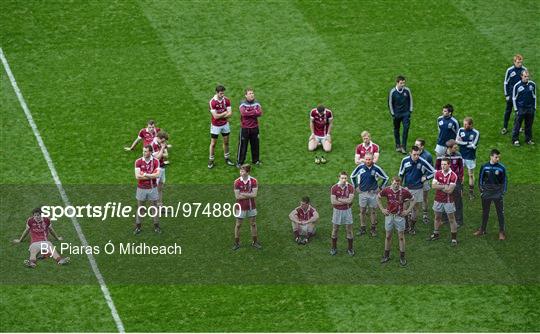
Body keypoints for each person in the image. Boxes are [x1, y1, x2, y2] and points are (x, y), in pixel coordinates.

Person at [377, 176, 414, 266]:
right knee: (388, 236)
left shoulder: (404, 192)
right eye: (394, 183)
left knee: (401, 237)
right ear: (391, 183)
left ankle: (402, 257)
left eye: (398, 184)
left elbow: (413, 199)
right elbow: (378, 197)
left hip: (399, 217)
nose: (396, 185)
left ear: (400, 184)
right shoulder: (387, 190)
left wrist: (408, 211)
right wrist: (382, 209)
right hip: (389, 216)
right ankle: (386, 256)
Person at [398, 146, 435, 234]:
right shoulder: (405, 160)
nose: (416, 156)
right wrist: (400, 187)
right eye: (414, 154)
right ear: (410, 153)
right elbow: (401, 173)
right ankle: (406, 226)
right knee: (405, 207)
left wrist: (426, 177)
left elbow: (434, 172)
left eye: (418, 155)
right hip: (406, 188)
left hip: (418, 188)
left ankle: (412, 227)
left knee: (415, 208)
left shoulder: (423, 162)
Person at [351, 153, 389, 237]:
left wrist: (380, 187)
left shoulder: (376, 168)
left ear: (372, 159)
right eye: (366, 159)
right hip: (362, 193)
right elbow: (352, 176)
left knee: (373, 211)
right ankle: (362, 227)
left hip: (373, 193)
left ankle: (373, 228)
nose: (368, 161)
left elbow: (386, 178)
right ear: (364, 159)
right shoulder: (360, 167)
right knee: (362, 211)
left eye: (369, 159)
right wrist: (356, 187)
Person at [474, 149, 508, 240]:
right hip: (486, 193)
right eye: (496, 157)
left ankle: (501, 232)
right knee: (485, 212)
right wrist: (481, 191)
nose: (498, 159)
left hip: (497, 193)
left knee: (500, 213)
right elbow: (480, 179)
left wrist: (502, 192)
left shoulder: (501, 168)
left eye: (499, 157)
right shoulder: (484, 166)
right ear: (491, 156)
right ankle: (483, 229)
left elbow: (505, 181)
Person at [428, 158, 459, 246]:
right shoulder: (437, 173)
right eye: (442, 164)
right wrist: (444, 186)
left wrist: (439, 186)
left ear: (449, 165)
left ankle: (454, 239)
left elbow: (450, 191)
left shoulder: (453, 176)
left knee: (451, 219)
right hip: (438, 199)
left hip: (448, 201)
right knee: (437, 217)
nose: (443, 166)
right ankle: (436, 234)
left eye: (445, 164)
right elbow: (433, 186)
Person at [435, 139, 464, 227]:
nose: (457, 148)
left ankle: (459, 220)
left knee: (458, 200)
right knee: (444, 199)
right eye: (455, 147)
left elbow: (461, 168)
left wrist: (461, 178)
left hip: (456, 181)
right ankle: (444, 219)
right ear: (449, 148)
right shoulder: (441, 157)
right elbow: (436, 169)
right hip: (444, 181)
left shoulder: (458, 155)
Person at [233, 164, 261, 250]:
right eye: (240, 171)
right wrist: (249, 194)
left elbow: (255, 195)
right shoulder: (237, 182)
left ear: (248, 172)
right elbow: (237, 197)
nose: (240, 172)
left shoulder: (254, 181)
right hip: (240, 207)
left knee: (253, 224)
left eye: (242, 171)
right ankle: (237, 243)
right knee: (238, 225)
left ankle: (255, 242)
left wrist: (243, 193)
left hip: (251, 206)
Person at [134, 145, 161, 234]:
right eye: (143, 151)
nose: (144, 153)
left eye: (146, 151)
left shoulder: (156, 161)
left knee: (154, 208)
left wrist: (145, 174)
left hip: (152, 188)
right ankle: (138, 227)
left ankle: (156, 227)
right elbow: (138, 176)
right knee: (140, 208)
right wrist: (151, 176)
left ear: (150, 152)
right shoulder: (138, 161)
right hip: (141, 188)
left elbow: (157, 175)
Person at [208, 85, 234, 169]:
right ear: (217, 93)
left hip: (225, 124)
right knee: (213, 144)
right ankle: (211, 160)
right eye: (221, 93)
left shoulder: (226, 100)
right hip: (215, 126)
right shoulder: (212, 102)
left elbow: (230, 114)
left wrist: (221, 115)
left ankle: (227, 158)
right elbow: (215, 117)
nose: (222, 95)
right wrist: (224, 113)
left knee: (226, 142)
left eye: (223, 93)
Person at [330, 171, 355, 256]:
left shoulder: (351, 187)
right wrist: (345, 201)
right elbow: (333, 202)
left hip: (347, 211)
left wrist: (340, 199)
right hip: (337, 211)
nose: (344, 180)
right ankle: (333, 248)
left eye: (345, 178)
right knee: (335, 230)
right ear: (339, 178)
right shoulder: (334, 188)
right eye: (342, 178)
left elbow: (350, 200)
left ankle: (350, 249)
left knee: (349, 230)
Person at [237, 88, 263, 167]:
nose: (252, 95)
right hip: (245, 128)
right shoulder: (242, 103)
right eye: (250, 93)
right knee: (242, 146)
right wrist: (254, 112)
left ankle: (255, 160)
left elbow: (260, 113)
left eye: (252, 93)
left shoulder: (257, 103)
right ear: (246, 95)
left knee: (255, 145)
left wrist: (249, 112)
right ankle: (240, 162)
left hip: (255, 128)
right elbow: (243, 113)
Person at [456, 117, 480, 199]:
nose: (464, 126)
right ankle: (461, 191)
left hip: (470, 157)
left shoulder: (476, 133)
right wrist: (467, 142)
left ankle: (471, 193)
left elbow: (473, 146)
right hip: (461, 156)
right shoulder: (460, 130)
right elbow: (457, 141)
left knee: (470, 174)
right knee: (461, 174)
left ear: (471, 124)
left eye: (466, 124)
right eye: (464, 124)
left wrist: (462, 143)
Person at [502, 54, 527, 134]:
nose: (520, 64)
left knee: (519, 113)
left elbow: (526, 82)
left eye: (521, 62)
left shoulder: (524, 70)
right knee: (508, 111)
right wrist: (506, 95)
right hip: (511, 95)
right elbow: (506, 82)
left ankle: (518, 127)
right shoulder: (509, 70)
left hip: (520, 96)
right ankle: (505, 127)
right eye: (518, 62)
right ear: (514, 62)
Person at [388, 75, 413, 154]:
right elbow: (390, 103)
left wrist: (410, 111)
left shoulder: (407, 90)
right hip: (397, 114)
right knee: (396, 129)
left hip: (405, 114)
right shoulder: (392, 92)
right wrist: (393, 114)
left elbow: (411, 100)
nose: (403, 85)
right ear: (397, 83)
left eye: (404, 83)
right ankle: (398, 145)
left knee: (406, 129)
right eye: (401, 83)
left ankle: (404, 147)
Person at [511, 70, 536, 146]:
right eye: (525, 76)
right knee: (517, 125)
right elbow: (514, 98)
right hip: (521, 109)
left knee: (529, 125)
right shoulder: (517, 86)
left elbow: (534, 96)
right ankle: (515, 140)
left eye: (528, 76)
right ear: (521, 76)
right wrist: (516, 109)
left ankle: (528, 139)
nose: (527, 78)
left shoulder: (532, 84)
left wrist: (534, 107)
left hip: (530, 109)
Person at [414, 138, 433, 224]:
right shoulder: (413, 153)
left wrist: (426, 177)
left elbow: (431, 169)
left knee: (424, 198)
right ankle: (412, 214)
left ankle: (425, 214)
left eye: (417, 145)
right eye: (415, 144)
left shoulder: (427, 156)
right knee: (413, 198)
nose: (415, 146)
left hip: (424, 180)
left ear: (422, 146)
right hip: (414, 180)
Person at [150, 131, 169, 207]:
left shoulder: (160, 143)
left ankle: (160, 206)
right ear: (158, 138)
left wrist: (162, 152)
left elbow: (166, 155)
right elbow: (157, 158)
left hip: (162, 167)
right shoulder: (153, 145)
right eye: (163, 141)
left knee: (160, 188)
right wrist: (163, 148)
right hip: (156, 169)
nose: (164, 142)